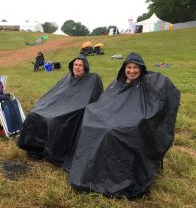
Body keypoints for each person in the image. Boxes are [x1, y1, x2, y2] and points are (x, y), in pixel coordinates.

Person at [67, 52, 180, 199]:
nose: (132, 71)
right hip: (110, 117)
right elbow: (105, 102)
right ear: (123, 68)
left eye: (135, 68)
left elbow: (165, 92)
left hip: (132, 122)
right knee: (91, 125)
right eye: (129, 67)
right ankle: (90, 171)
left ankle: (113, 176)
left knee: (111, 132)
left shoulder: (147, 83)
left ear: (141, 69)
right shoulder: (116, 84)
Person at [17, 54, 103, 166]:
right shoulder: (68, 78)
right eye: (75, 65)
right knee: (34, 114)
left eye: (80, 65)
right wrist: (44, 104)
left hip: (73, 110)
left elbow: (92, 99)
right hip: (57, 107)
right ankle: (34, 148)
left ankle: (51, 153)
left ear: (85, 67)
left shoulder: (92, 79)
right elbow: (55, 93)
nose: (77, 67)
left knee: (54, 121)